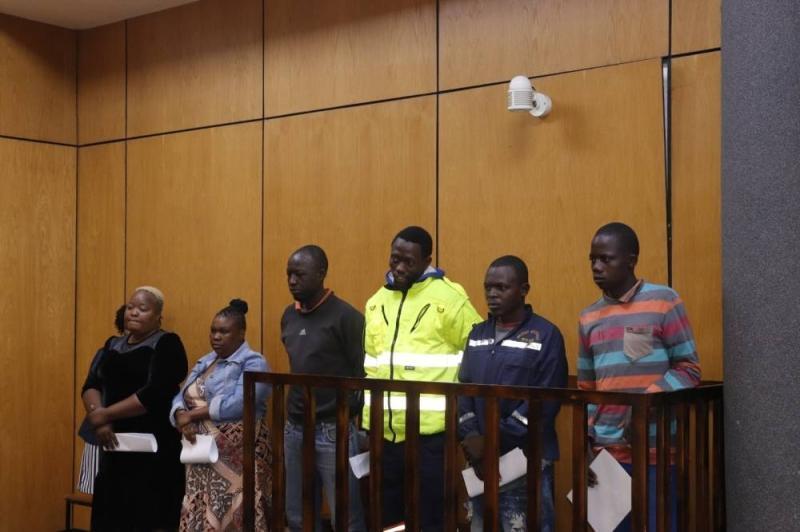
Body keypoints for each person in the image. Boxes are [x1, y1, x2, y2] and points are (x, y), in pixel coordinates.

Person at [578, 222, 701, 531]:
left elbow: (688, 369)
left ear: (631, 260)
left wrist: (643, 406)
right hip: (606, 455)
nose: (596, 267)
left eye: (606, 259)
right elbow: (586, 388)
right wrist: (585, 443)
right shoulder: (588, 316)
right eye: (593, 259)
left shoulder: (664, 301)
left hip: (655, 451)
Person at [363, 226, 482, 529]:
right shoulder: (376, 301)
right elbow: (371, 366)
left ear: (427, 260)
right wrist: (366, 423)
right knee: (389, 519)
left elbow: (479, 355)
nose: (399, 267)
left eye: (409, 261)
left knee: (431, 517)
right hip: (384, 433)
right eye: (395, 259)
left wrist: (467, 421)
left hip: (432, 436)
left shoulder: (450, 299)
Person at [458, 255, 567, 532]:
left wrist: (493, 441)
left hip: (526, 460)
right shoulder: (477, 335)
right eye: (488, 287)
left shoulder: (546, 335)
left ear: (523, 290)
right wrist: (472, 437)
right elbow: (464, 390)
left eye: (501, 287)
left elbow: (545, 402)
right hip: (481, 460)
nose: (492, 294)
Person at [82, 286, 189, 531]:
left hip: (153, 449)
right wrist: (100, 419)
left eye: (143, 309)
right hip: (113, 443)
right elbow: (91, 384)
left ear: (158, 316)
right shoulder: (112, 344)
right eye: (130, 307)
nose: (134, 313)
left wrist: (105, 414)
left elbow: (155, 393)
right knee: (110, 517)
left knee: (148, 517)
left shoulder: (168, 343)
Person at [281, 245, 367, 531]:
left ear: (321, 274)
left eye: (299, 274)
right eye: (289, 274)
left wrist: (349, 414)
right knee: (297, 514)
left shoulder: (346, 317)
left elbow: (361, 372)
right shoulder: (288, 315)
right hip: (295, 426)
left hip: (333, 428)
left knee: (346, 516)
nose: (292, 281)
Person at [170, 299, 272, 531]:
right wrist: (180, 415)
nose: (216, 336)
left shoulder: (254, 361)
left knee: (235, 509)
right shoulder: (205, 361)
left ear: (241, 333)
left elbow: (241, 402)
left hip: (237, 454)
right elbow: (181, 394)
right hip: (201, 452)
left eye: (224, 332)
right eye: (213, 331)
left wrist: (193, 416)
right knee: (202, 507)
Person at [77, 304, 127, 495]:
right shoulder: (106, 352)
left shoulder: (156, 352)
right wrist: (101, 420)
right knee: (97, 492)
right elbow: (90, 387)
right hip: (100, 433)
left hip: (135, 435)